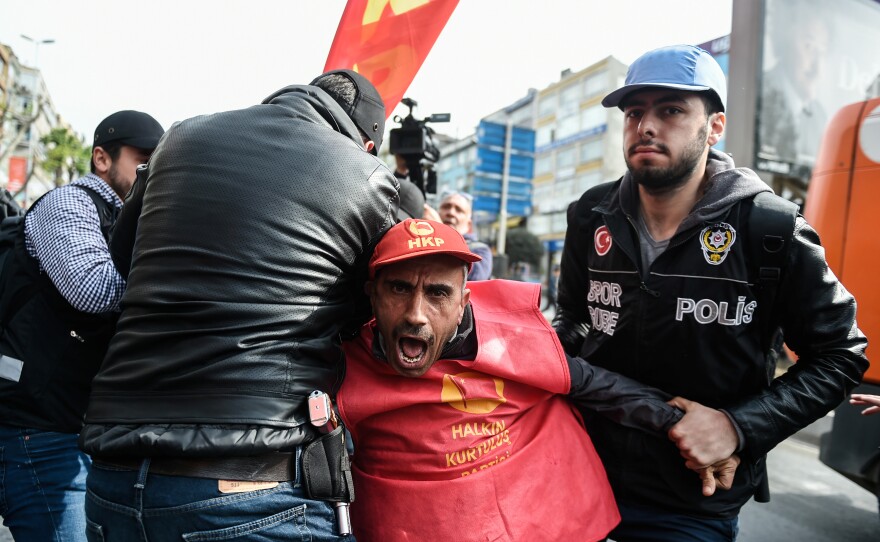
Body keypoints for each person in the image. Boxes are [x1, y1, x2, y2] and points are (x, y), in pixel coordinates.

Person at [553, 44, 869, 541]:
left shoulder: (771, 227)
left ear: (714, 127)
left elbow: (841, 354)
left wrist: (737, 427)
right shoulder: (590, 214)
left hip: (691, 504)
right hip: (574, 475)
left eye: (671, 110)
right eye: (634, 112)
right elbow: (572, 317)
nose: (647, 126)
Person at [79, 70, 399, 540]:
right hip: (248, 486)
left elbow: (123, 259)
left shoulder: (181, 136)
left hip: (112, 475)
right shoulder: (364, 173)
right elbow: (387, 307)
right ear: (366, 143)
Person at [337, 218, 736, 541]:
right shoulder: (337, 366)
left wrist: (686, 427)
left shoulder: (513, 345)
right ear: (372, 294)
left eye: (438, 293)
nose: (416, 315)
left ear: (463, 304)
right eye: (399, 288)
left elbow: (599, 387)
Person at [0, 110, 163, 541]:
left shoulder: (133, 220)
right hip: (35, 427)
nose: (150, 170)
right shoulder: (69, 203)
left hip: (75, 427)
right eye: (141, 159)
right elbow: (93, 292)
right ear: (101, 159)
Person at [758, 0, 831, 173]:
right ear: (784, 40)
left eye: (822, 51)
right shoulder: (759, 97)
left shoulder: (819, 116)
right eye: (809, 46)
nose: (818, 69)